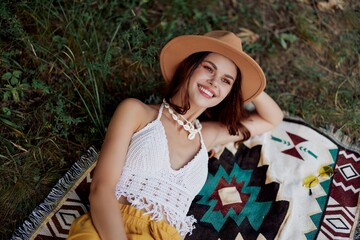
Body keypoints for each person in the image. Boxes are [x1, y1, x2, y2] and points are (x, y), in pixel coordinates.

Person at [67, 30, 284, 240]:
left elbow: (271, 118)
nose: (214, 82)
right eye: (209, 68)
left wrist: (246, 80)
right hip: (109, 227)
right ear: (188, 67)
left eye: (226, 81)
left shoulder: (207, 136)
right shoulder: (137, 112)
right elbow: (101, 188)